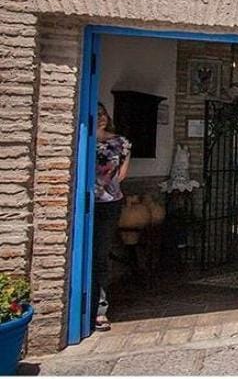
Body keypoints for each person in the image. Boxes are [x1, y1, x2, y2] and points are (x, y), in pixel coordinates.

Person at [93, 103, 131, 331]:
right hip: (85, 203)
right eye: (96, 114)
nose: (101, 118)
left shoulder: (121, 143)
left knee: (100, 255)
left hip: (109, 204)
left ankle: (99, 310)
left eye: (103, 113)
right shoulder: (82, 139)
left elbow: (122, 175)